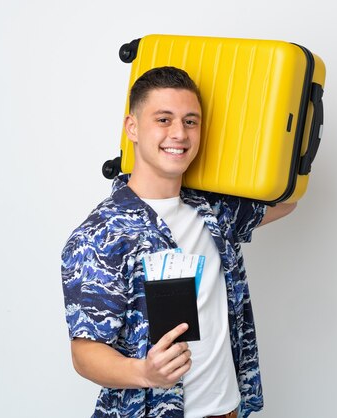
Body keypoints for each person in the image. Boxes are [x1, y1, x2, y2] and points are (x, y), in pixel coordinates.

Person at [61, 66, 296, 418]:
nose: (179, 134)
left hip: (226, 411)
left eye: (191, 122)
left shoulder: (214, 211)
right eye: (163, 119)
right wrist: (143, 372)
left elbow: (287, 199)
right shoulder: (100, 235)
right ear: (133, 128)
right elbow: (84, 352)